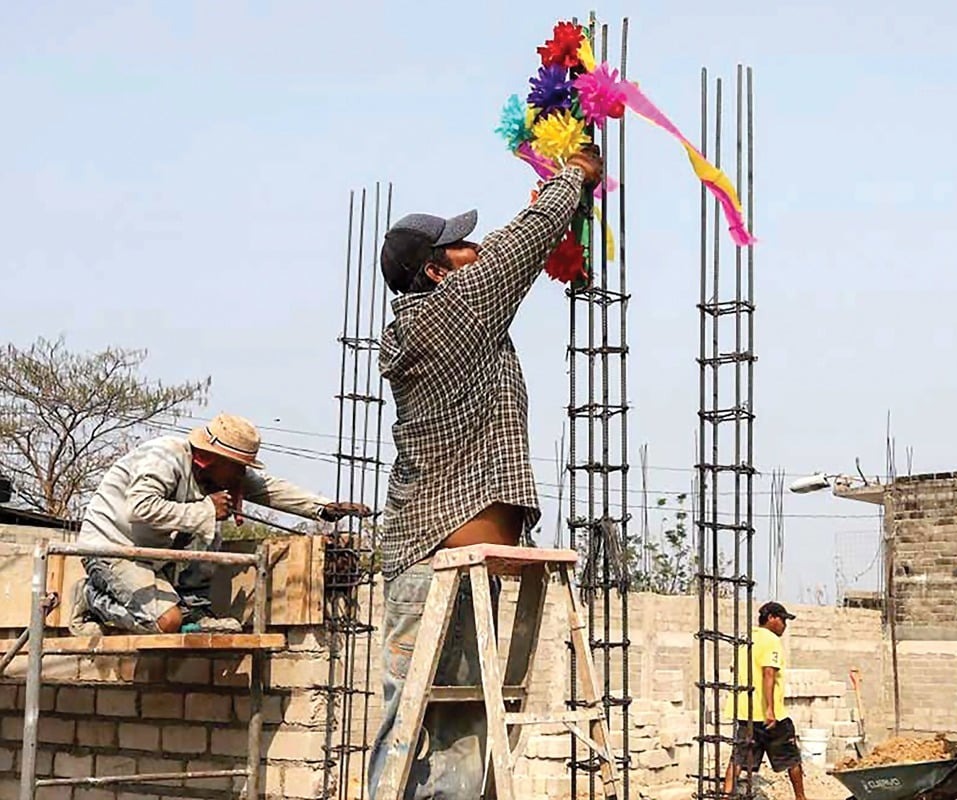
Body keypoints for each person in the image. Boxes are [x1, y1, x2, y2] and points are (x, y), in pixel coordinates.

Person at [367, 144, 604, 799]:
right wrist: (574, 174)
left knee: (456, 739)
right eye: (460, 246)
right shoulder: (454, 310)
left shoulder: (446, 320)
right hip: (436, 560)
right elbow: (522, 241)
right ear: (436, 271)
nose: (474, 250)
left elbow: (509, 250)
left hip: (451, 563)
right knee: (418, 735)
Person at [71, 413, 370, 636]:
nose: (242, 474)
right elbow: (139, 508)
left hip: (151, 554)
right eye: (238, 466)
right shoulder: (163, 457)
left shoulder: (219, 473)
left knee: (211, 520)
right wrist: (206, 509)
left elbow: (268, 488)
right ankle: (90, 597)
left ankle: (195, 608)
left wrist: (323, 508)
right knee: (168, 623)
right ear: (211, 458)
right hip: (112, 550)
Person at [723, 601, 807, 800]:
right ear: (771, 618)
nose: (784, 625)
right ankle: (801, 798)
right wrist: (770, 709)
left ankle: (725, 796)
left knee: (738, 759)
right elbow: (768, 672)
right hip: (770, 715)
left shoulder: (745, 640)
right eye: (783, 620)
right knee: (792, 758)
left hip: (746, 712)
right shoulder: (771, 640)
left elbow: (735, 670)